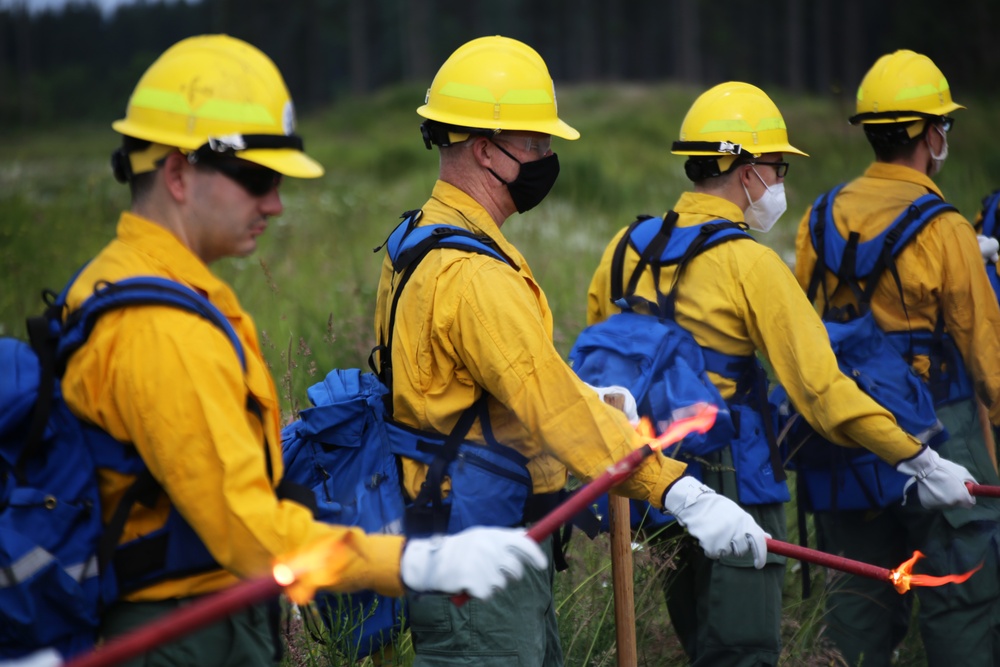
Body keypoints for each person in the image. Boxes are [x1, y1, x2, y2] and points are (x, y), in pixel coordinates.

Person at [59, 34, 551, 667]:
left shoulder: (139, 283)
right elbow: (248, 529)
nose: (276, 203)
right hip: (179, 629)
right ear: (178, 173)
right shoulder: (160, 326)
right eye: (257, 178)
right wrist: (413, 560)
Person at [372, 36, 769, 667]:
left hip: (463, 535)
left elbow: (507, 381)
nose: (547, 157)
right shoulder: (474, 273)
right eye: (535, 143)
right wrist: (679, 491)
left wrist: (595, 401)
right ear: (484, 149)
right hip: (481, 556)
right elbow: (548, 406)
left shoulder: (419, 237)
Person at [586, 81, 979, 667]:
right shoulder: (751, 262)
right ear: (742, 170)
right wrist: (918, 458)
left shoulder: (625, 247)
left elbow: (604, 368)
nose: (779, 183)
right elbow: (821, 391)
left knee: (698, 642)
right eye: (776, 167)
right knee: (743, 651)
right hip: (735, 478)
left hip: (654, 474)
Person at [793, 50, 1000, 666]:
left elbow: (805, 321)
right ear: (932, 134)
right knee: (963, 594)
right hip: (940, 428)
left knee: (858, 594)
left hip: (847, 430)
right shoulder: (946, 229)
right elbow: (986, 355)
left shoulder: (819, 216)